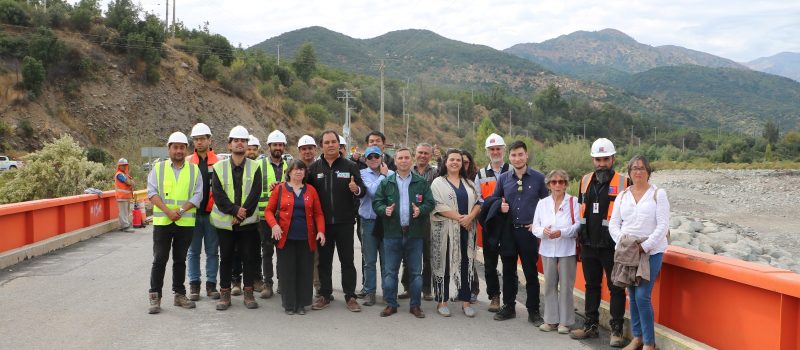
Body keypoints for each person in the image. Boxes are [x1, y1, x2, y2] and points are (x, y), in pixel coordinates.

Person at [570, 138, 631, 347]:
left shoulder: (625, 183)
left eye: (605, 159)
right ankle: (590, 326)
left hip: (613, 247)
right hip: (588, 244)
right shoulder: (585, 180)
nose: (601, 163)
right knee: (591, 286)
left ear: (613, 159)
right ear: (593, 160)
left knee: (616, 287)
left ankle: (616, 330)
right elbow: (581, 211)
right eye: (598, 159)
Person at [609, 156, 669, 350]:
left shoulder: (658, 194)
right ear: (629, 172)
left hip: (650, 252)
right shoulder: (623, 195)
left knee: (643, 295)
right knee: (632, 295)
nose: (638, 171)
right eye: (634, 168)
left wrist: (645, 246)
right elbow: (613, 224)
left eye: (642, 168)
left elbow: (663, 225)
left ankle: (649, 343)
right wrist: (623, 243)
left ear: (648, 171)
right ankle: (637, 337)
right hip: (628, 251)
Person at [306, 130, 366, 312]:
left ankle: (350, 296)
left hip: (345, 222)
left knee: (347, 261)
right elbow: (305, 191)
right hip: (323, 225)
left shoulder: (350, 166)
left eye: (334, 142)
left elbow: (362, 190)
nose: (331, 145)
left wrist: (356, 189)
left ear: (339, 145)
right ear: (321, 146)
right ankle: (325, 294)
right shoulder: (314, 168)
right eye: (327, 142)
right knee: (324, 261)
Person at [490, 141, 549, 325]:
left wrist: (538, 224)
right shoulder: (503, 178)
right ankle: (509, 307)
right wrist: (500, 206)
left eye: (520, 154)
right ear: (510, 157)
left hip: (529, 232)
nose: (517, 158)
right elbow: (493, 200)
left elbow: (547, 205)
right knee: (508, 271)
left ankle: (533, 311)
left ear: (526, 155)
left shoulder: (539, 178)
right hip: (508, 232)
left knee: (531, 272)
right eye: (514, 155)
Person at [373, 147, 435, 318]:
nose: (404, 160)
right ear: (396, 161)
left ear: (411, 160)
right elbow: (376, 202)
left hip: (414, 234)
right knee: (390, 272)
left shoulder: (421, 182)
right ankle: (391, 304)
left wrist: (420, 210)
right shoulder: (387, 182)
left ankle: (415, 305)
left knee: (416, 273)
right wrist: (384, 209)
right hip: (392, 234)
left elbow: (430, 203)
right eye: (400, 158)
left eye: (407, 157)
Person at [146, 131, 203, 314]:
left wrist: (180, 211)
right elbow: (152, 193)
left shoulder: (194, 170)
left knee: (180, 260)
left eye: (182, 147)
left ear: (186, 149)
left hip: (184, 222)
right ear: (169, 149)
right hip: (163, 222)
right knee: (160, 259)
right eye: (175, 147)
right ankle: (155, 297)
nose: (179, 151)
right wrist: (168, 211)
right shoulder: (158, 168)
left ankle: (179, 295)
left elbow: (198, 195)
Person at [211, 125, 263, 311]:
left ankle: (248, 293)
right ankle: (225, 294)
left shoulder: (255, 167)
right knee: (226, 257)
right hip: (226, 224)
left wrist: (241, 216)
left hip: (247, 224)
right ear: (229, 145)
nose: (240, 143)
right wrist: (234, 211)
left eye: (243, 140)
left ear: (247, 144)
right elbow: (218, 195)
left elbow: (255, 194)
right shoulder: (218, 167)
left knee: (248, 258)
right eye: (236, 140)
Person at [265, 160, 326, 315]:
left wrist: (321, 231)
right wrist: (274, 225)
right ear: (289, 172)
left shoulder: (311, 190)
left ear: (305, 173)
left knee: (305, 271)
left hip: (306, 238)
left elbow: (318, 213)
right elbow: (268, 211)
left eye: (302, 169)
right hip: (286, 238)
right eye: (295, 169)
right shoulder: (279, 189)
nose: (299, 172)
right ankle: (289, 304)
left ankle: (302, 304)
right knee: (287, 271)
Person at [429, 149, 481, 317]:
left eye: (458, 160)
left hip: (467, 230)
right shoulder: (438, 182)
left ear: (462, 163)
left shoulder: (469, 183)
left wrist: (471, 217)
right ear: (446, 162)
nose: (455, 162)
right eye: (451, 159)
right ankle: (442, 301)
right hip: (445, 232)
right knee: (443, 263)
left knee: (466, 265)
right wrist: (461, 218)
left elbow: (479, 201)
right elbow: (437, 205)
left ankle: (466, 302)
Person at [532, 169, 581, 334]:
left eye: (561, 182)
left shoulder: (574, 202)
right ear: (548, 185)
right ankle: (551, 320)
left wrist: (562, 232)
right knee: (549, 286)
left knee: (566, 286)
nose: (558, 185)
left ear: (566, 184)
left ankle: (565, 322)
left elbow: (577, 226)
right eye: (554, 182)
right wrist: (543, 232)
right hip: (547, 249)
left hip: (567, 248)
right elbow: (535, 227)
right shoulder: (542, 203)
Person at [475, 133, 510, 312]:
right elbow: (478, 199)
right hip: (490, 224)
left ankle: (509, 299)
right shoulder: (481, 174)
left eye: (498, 148)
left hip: (509, 224)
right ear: (487, 152)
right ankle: (494, 296)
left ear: (503, 150)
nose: (495, 152)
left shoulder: (513, 170)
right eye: (492, 149)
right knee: (490, 264)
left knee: (509, 262)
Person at [186, 122, 221, 301]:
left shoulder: (219, 163)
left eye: (202, 139)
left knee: (212, 251)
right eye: (196, 139)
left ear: (209, 140)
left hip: (212, 215)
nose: (199, 142)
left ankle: (211, 285)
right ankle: (194, 286)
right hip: (192, 214)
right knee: (193, 252)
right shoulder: (187, 162)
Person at [255, 130, 289, 299]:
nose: (278, 148)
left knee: (283, 252)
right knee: (267, 252)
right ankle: (268, 284)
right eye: (275, 145)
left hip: (284, 217)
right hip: (265, 217)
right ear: (269, 147)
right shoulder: (259, 166)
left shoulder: (290, 166)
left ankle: (283, 283)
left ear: (284, 147)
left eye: (280, 145)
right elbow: (254, 190)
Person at [357, 146, 392, 306]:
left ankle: (387, 292)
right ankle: (370, 291)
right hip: (369, 221)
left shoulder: (392, 174)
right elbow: (372, 192)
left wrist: (385, 175)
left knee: (387, 260)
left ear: (381, 157)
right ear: (365, 159)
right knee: (369, 260)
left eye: (376, 156)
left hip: (387, 222)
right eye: (369, 157)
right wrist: (383, 176)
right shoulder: (362, 174)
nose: (373, 159)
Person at [405, 143, 438, 301]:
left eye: (426, 153)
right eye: (420, 152)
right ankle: (408, 288)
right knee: (408, 254)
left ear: (430, 156)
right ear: (415, 154)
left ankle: (426, 289)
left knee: (427, 255)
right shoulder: (408, 171)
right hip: (408, 218)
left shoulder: (436, 173)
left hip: (429, 219)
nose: (423, 155)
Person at [297, 134, 322, 295]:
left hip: (317, 217)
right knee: (298, 254)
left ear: (315, 149)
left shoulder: (321, 167)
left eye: (310, 148)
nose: (307, 151)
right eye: (304, 149)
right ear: (299, 151)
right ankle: (298, 286)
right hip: (298, 218)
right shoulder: (294, 167)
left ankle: (319, 286)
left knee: (317, 256)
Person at [461, 149, 481, 302]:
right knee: (456, 257)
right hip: (454, 222)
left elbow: (480, 202)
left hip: (470, 224)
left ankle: (474, 288)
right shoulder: (451, 178)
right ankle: (460, 289)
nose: (462, 164)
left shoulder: (475, 179)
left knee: (469, 258)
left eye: (466, 162)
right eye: (460, 161)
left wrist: (469, 218)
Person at [114, 158, 135, 232]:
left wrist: (131, 182)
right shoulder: (119, 174)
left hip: (126, 197)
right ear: (119, 166)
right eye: (122, 165)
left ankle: (121, 226)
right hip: (121, 196)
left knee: (125, 211)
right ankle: (125, 226)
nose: (124, 167)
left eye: (125, 165)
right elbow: (127, 182)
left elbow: (130, 182)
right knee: (123, 212)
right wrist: (131, 182)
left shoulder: (124, 174)